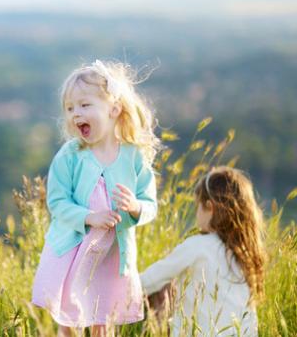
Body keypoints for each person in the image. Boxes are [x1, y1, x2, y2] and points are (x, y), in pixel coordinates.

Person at [31, 59, 161, 336]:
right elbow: (57, 202)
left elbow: (150, 205)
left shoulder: (133, 156)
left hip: (112, 255)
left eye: (85, 105)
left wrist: (136, 207)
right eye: (70, 108)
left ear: (114, 109)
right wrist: (90, 217)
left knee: (103, 317)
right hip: (73, 250)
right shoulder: (70, 155)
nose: (76, 113)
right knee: (70, 317)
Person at [140, 166, 266, 336]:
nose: (196, 212)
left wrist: (113, 290)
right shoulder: (244, 255)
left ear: (209, 207)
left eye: (197, 205)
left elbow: (149, 281)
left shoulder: (197, 246)